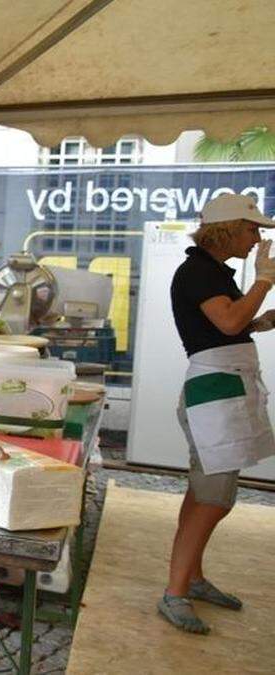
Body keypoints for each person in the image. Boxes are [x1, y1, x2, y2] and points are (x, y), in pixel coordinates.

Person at [160, 193, 275, 634]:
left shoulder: (210, 273)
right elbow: (227, 323)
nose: (257, 238)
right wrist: (264, 281)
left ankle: (191, 577)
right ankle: (175, 593)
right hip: (213, 393)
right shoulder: (198, 272)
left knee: (202, 494)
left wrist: (260, 320)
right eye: (252, 229)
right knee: (212, 499)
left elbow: (230, 323)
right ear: (226, 229)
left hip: (220, 389)